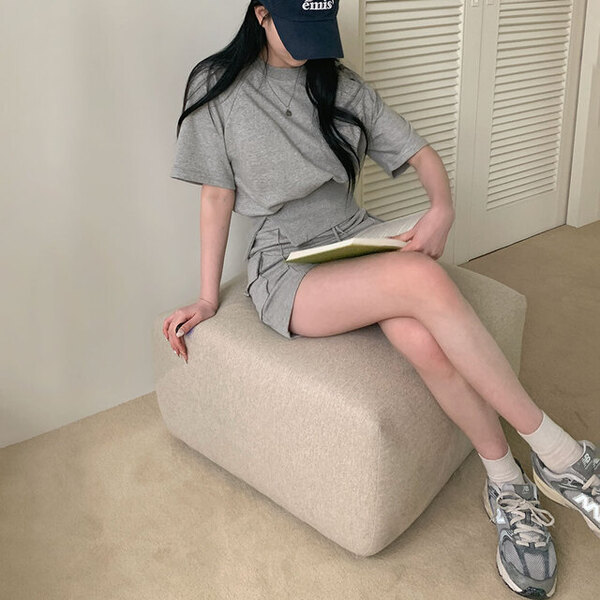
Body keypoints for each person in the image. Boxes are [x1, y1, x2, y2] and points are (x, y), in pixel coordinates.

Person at [163, 1, 600, 597]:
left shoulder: (337, 83)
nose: (311, 48)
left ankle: (507, 482)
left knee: (423, 339)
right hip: (286, 263)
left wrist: (442, 207)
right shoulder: (217, 85)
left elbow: (421, 152)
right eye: (298, 31)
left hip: (354, 234)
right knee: (422, 279)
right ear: (261, 13)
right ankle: (562, 456)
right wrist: (207, 298)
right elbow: (216, 198)